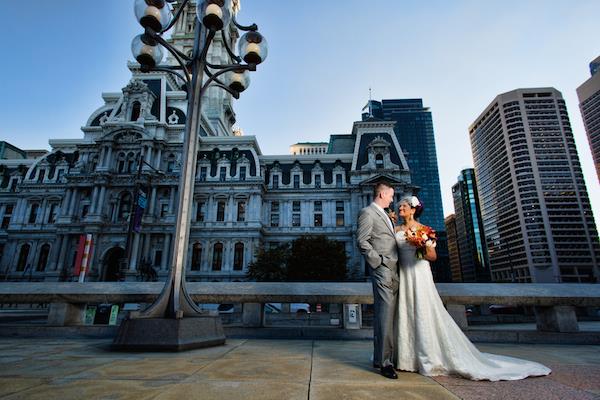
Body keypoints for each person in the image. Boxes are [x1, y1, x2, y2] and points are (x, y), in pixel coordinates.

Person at [394, 195, 551, 380]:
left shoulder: (424, 230)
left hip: (419, 274)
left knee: (423, 311)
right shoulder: (396, 229)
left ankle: (427, 357)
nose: (400, 208)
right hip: (401, 274)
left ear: (413, 209)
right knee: (404, 312)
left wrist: (419, 245)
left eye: (403, 205)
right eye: (399, 206)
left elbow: (433, 256)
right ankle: (404, 358)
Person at [356, 181, 399, 379]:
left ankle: (381, 357)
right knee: (384, 314)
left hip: (396, 270)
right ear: (382, 194)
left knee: (391, 314)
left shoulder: (387, 215)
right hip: (382, 269)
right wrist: (378, 262)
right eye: (391, 196)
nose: (392, 199)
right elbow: (362, 240)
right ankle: (385, 363)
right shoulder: (368, 212)